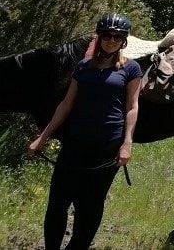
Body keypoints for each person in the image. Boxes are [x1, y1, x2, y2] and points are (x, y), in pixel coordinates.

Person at [28, 13, 143, 250]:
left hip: (106, 145)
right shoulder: (83, 66)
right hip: (75, 142)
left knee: (90, 204)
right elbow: (66, 104)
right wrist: (43, 137)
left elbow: (132, 107)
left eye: (117, 37)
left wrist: (127, 143)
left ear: (124, 40)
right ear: (99, 37)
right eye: (106, 35)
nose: (111, 40)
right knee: (57, 203)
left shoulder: (131, 69)